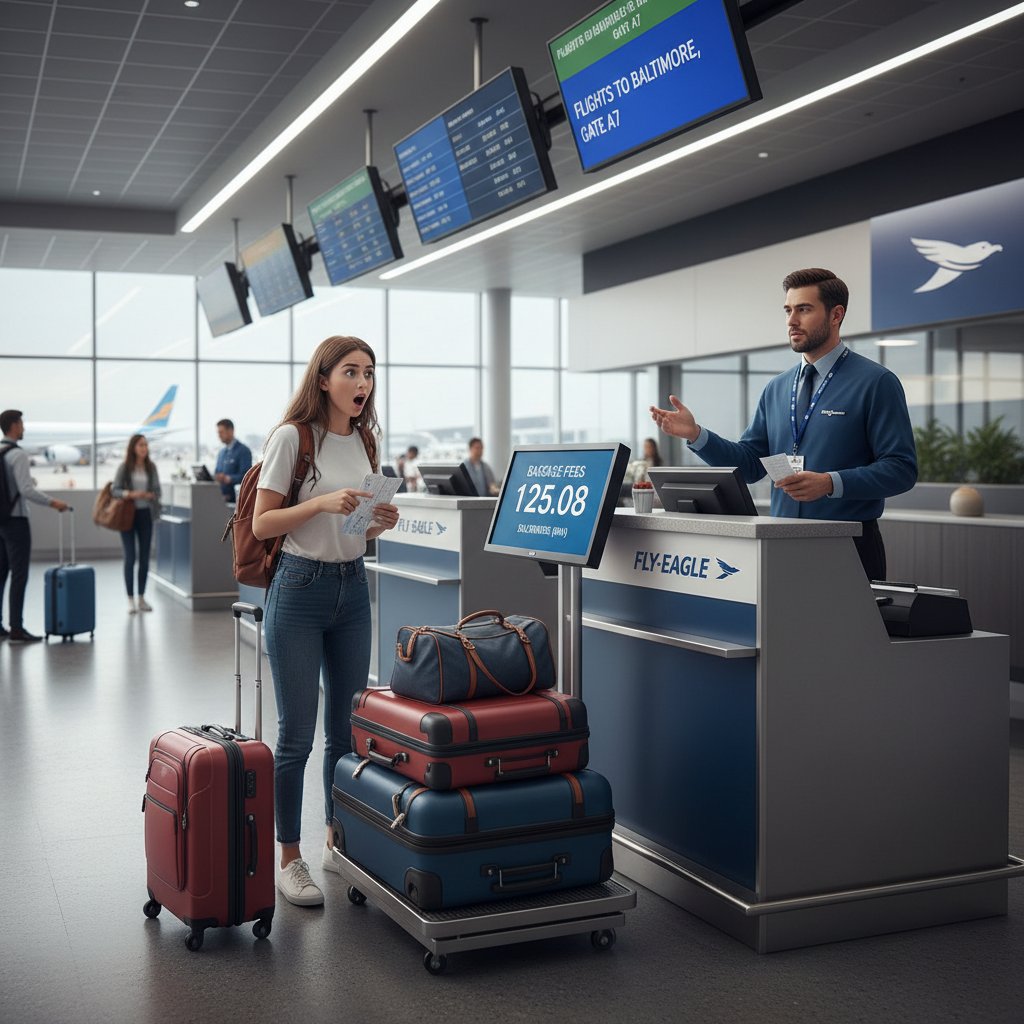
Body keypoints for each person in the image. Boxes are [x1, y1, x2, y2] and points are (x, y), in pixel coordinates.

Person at [252, 335, 400, 908]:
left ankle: (337, 843)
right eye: (351, 372)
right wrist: (320, 502)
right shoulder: (293, 437)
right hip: (299, 588)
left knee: (346, 735)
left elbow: (357, 529)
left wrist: (377, 520)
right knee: (295, 738)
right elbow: (265, 523)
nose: (362, 384)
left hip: (351, 587)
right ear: (323, 379)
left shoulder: (367, 439)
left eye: (368, 373)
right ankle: (289, 859)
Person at [650, 268, 917, 580]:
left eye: (804, 309)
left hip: (849, 545)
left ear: (836, 315)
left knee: (843, 631)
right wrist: (696, 435)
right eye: (788, 310)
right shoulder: (777, 388)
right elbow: (751, 466)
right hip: (780, 542)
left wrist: (830, 483)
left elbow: (901, 469)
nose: (792, 321)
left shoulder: (876, 382)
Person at [0, 409, 70, 643]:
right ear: (13, 426)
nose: (24, 428)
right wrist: (53, 502)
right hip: (16, 520)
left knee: (1, 573)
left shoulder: (0, 451)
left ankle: (0, 626)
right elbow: (26, 490)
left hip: (1, 521)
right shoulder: (17, 455)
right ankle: (17, 629)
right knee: (20, 574)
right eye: (21, 423)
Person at [112, 434, 161, 614]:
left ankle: (141, 597)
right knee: (130, 557)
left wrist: (149, 495)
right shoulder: (125, 467)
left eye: (146, 445)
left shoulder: (151, 467)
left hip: (145, 515)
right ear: (133, 447)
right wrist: (132, 494)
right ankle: (130, 599)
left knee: (145, 558)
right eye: (141, 445)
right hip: (127, 515)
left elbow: (157, 491)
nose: (144, 448)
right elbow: (115, 490)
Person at [213, 418, 253, 502]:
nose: (219, 435)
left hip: (235, 501)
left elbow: (247, 477)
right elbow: (217, 472)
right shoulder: (221, 453)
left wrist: (229, 478)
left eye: (221, 432)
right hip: (220, 500)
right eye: (218, 433)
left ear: (231, 431)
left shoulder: (243, 451)